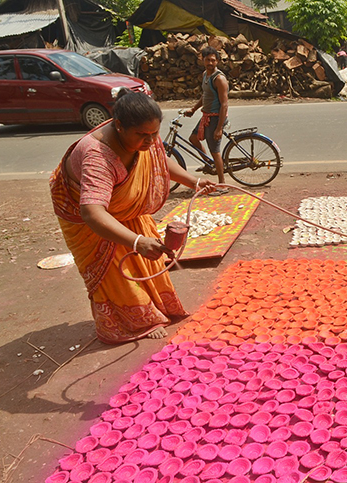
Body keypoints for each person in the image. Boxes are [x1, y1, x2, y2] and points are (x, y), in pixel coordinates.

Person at [50, 89, 216, 344]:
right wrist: (136, 242)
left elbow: (159, 160)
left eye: (154, 134)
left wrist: (193, 181)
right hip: (89, 216)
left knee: (148, 260)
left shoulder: (146, 135)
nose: (150, 140)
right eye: (142, 135)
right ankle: (131, 322)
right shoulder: (98, 156)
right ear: (119, 126)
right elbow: (93, 213)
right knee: (116, 270)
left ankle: (153, 306)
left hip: (122, 209)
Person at [185, 46, 229, 194]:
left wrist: (219, 128)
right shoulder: (205, 75)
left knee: (215, 151)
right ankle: (208, 163)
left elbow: (224, 104)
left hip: (216, 118)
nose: (210, 62)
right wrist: (193, 109)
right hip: (206, 116)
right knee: (193, 138)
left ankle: (223, 184)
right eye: (207, 60)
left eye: (213, 60)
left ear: (217, 61)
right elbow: (205, 96)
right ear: (203, 60)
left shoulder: (219, 79)